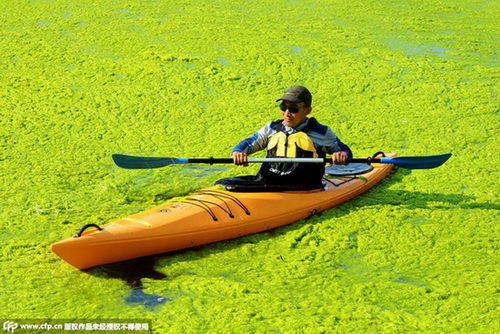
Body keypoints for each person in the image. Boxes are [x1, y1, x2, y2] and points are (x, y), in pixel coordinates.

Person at [217, 85, 352, 192]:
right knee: (223, 184)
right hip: (267, 183)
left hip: (303, 188)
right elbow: (250, 142)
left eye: (293, 109)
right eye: (283, 107)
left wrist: (341, 155)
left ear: (307, 110)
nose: (287, 113)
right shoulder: (271, 128)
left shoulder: (322, 133)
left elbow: (345, 151)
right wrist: (239, 152)